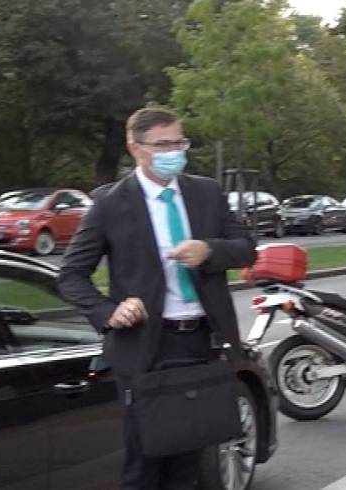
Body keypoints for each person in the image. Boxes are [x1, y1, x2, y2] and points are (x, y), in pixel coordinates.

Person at [57, 108, 255, 490]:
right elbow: (71, 275)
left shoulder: (206, 193)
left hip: (200, 341)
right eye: (163, 145)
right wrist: (109, 311)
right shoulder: (110, 204)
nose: (174, 152)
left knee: (189, 460)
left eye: (179, 143)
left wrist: (209, 250)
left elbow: (247, 248)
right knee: (145, 462)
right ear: (136, 148)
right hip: (146, 345)